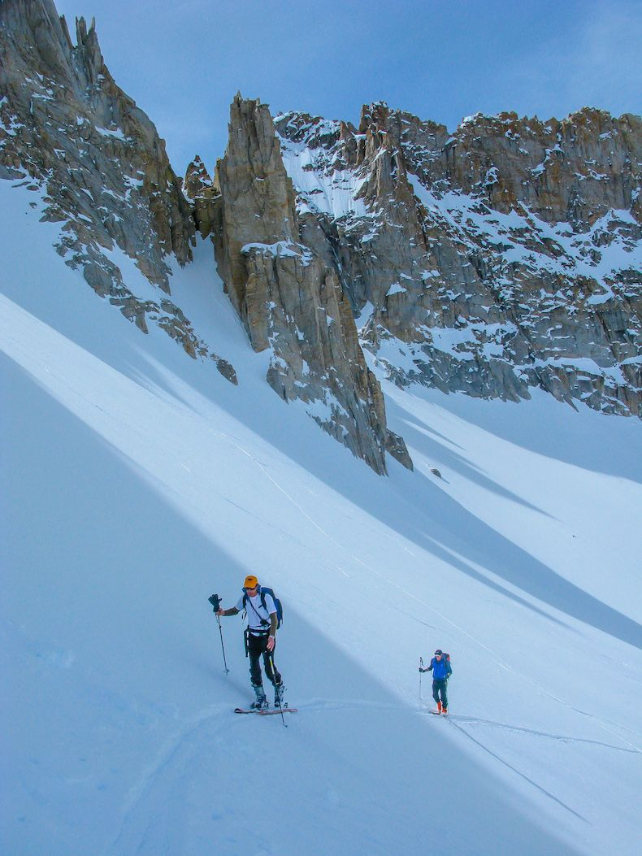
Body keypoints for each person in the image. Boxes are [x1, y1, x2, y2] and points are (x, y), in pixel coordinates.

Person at [217, 575, 285, 710]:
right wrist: (223, 612)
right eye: (247, 588)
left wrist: (272, 637)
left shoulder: (266, 598)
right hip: (252, 636)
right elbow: (235, 610)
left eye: (251, 588)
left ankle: (279, 688)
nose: (249, 591)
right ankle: (260, 696)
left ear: (256, 586)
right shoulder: (245, 598)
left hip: (266, 636)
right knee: (254, 667)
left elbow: (274, 618)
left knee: (268, 666)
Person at [420, 649, 452, 713]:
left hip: (443, 681)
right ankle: (439, 706)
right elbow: (430, 668)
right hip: (436, 680)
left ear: (441, 655)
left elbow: (450, 671)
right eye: (436, 656)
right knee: (434, 695)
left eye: (438, 656)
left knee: (443, 696)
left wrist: (447, 676)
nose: (437, 657)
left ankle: (444, 709)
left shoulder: (445, 662)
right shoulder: (433, 661)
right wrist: (423, 670)